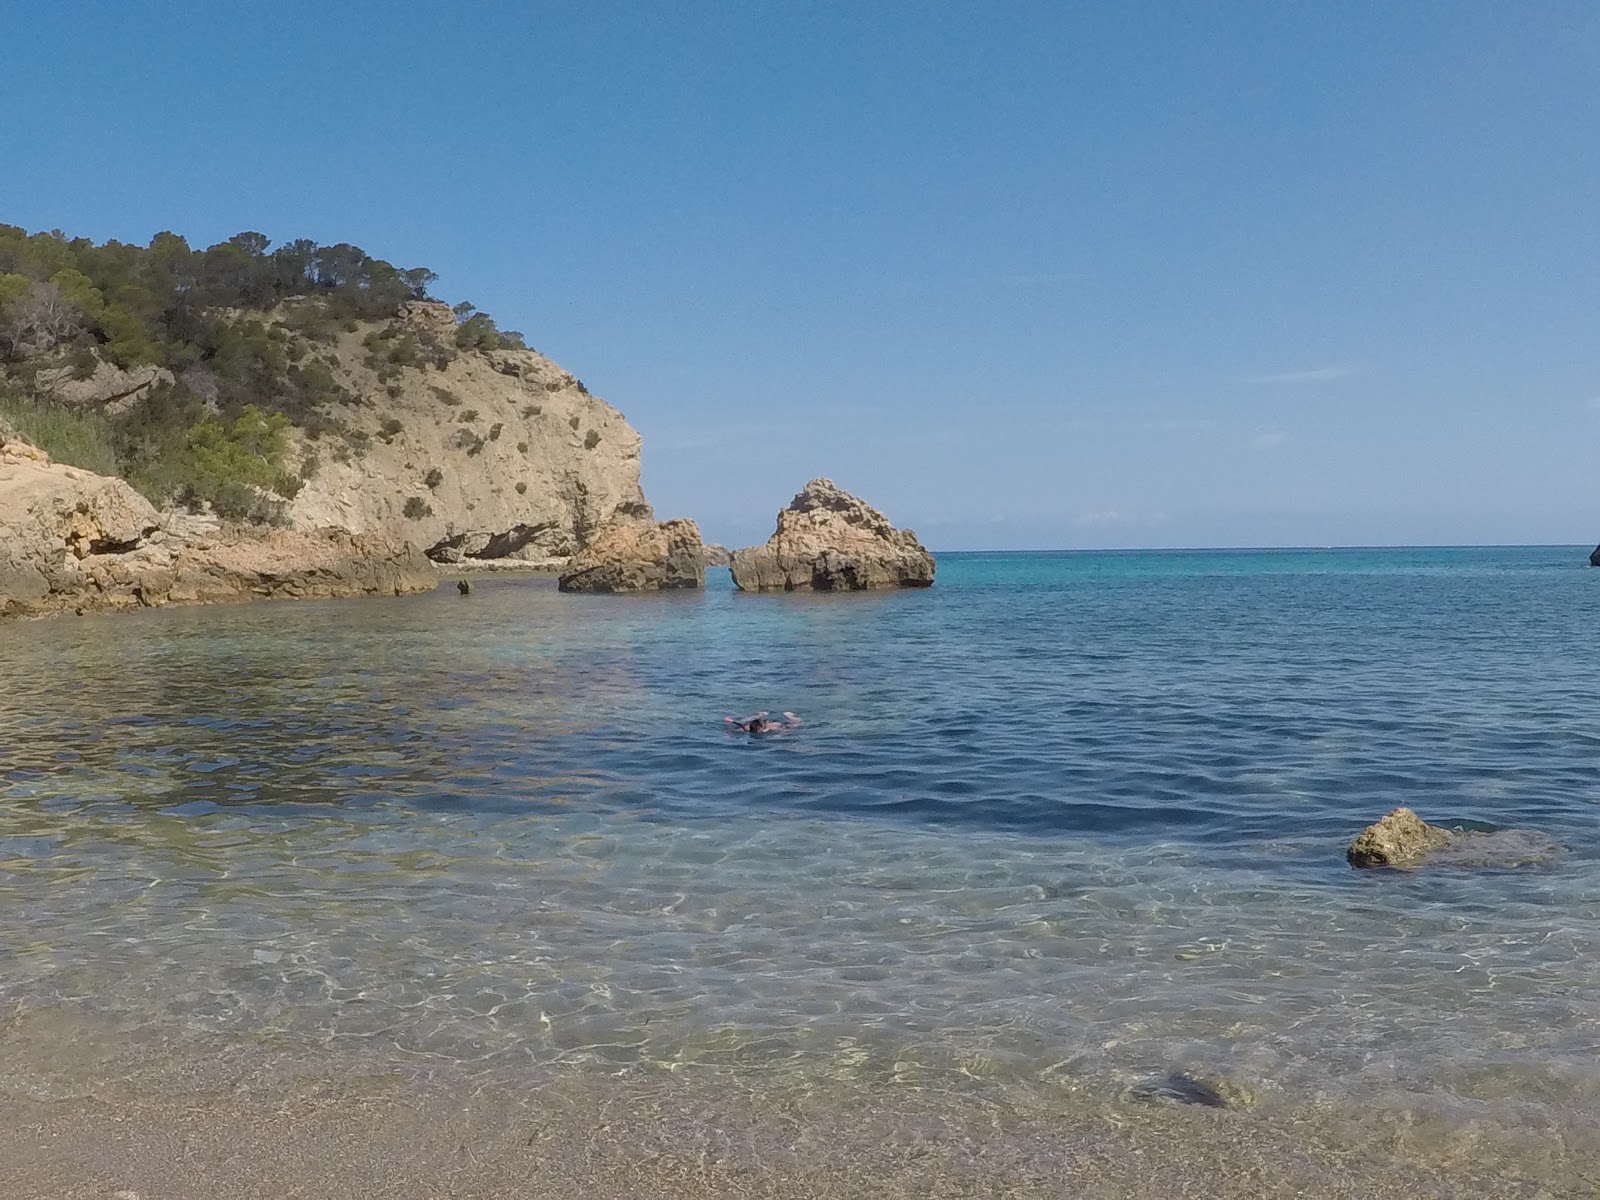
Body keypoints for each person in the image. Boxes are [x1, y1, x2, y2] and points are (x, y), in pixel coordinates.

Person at [725, 710, 801, 735]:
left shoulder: (772, 727)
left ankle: (759, 714)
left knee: (744, 721)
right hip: (757, 725)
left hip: (770, 724)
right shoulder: (744, 729)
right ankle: (759, 715)